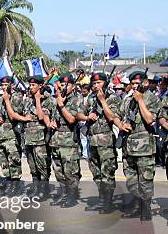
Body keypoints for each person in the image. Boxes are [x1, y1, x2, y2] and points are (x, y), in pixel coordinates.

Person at [113, 70, 161, 220]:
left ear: (145, 83)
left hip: (145, 148)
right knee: (132, 180)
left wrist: (140, 100)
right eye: (132, 83)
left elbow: (149, 119)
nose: (134, 86)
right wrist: (120, 124)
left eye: (137, 83)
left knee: (145, 180)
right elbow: (116, 116)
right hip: (129, 147)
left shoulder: (151, 98)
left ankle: (145, 210)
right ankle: (136, 205)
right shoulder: (127, 100)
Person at [78, 72, 120, 213]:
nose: (96, 86)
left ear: (105, 83)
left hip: (106, 141)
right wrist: (86, 116)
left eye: (99, 83)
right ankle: (102, 200)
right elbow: (78, 114)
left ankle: (108, 203)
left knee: (107, 173)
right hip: (92, 141)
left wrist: (102, 101)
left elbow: (112, 118)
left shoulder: (112, 98)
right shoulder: (90, 98)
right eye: (94, 83)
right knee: (96, 173)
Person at [47, 74, 83, 207]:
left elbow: (71, 120)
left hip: (69, 142)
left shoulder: (76, 100)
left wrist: (61, 105)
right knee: (59, 171)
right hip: (56, 140)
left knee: (70, 172)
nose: (63, 87)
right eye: (61, 85)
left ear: (73, 87)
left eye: (66, 85)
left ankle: (71, 196)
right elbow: (53, 117)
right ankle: (63, 194)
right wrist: (51, 122)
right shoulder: (58, 99)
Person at [0, 76, 25, 194]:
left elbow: (13, 116)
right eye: (2, 85)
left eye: (6, 84)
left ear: (12, 85)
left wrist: (7, 100)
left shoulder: (16, 98)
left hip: (12, 135)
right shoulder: (0, 99)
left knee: (14, 161)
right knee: (4, 161)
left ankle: (15, 184)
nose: (3, 87)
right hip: (1, 134)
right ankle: (8, 182)